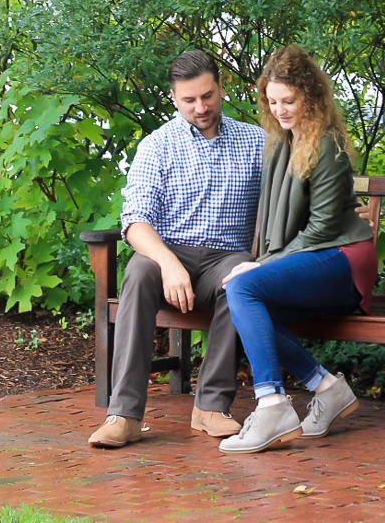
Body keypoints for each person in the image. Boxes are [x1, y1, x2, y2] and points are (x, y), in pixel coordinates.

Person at [88, 49, 265, 448]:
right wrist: (168, 262)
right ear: (173, 97)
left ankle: (211, 406)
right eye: (189, 100)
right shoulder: (158, 146)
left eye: (207, 95)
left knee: (243, 277)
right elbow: (135, 221)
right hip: (170, 256)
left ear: (222, 87)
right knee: (138, 271)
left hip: (226, 259)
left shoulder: (256, 142)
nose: (200, 107)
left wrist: (346, 208)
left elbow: (299, 187)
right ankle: (124, 414)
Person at [219, 46, 378, 454]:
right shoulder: (282, 142)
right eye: (272, 102)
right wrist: (259, 264)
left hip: (344, 259)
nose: (279, 110)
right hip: (315, 255)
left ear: (311, 95)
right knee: (248, 303)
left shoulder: (325, 143)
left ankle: (272, 405)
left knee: (244, 288)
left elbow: (323, 227)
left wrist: (261, 264)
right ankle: (326, 388)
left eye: (288, 100)